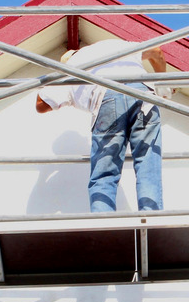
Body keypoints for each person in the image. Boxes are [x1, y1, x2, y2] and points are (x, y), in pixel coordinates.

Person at [35, 39, 169, 213]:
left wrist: (55, 80)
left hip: (107, 99)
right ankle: (153, 218)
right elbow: (157, 52)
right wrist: (163, 88)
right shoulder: (113, 45)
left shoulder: (70, 69)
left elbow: (41, 104)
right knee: (148, 164)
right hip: (144, 95)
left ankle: (104, 223)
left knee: (104, 174)